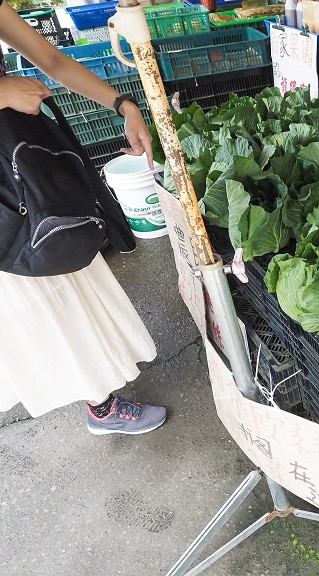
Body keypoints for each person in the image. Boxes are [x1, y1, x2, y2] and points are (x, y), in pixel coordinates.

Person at [0, 1, 167, 435]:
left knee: (63, 260)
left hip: (21, 165)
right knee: (29, 295)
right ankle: (100, 403)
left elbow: (51, 59)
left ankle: (99, 396)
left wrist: (123, 105)